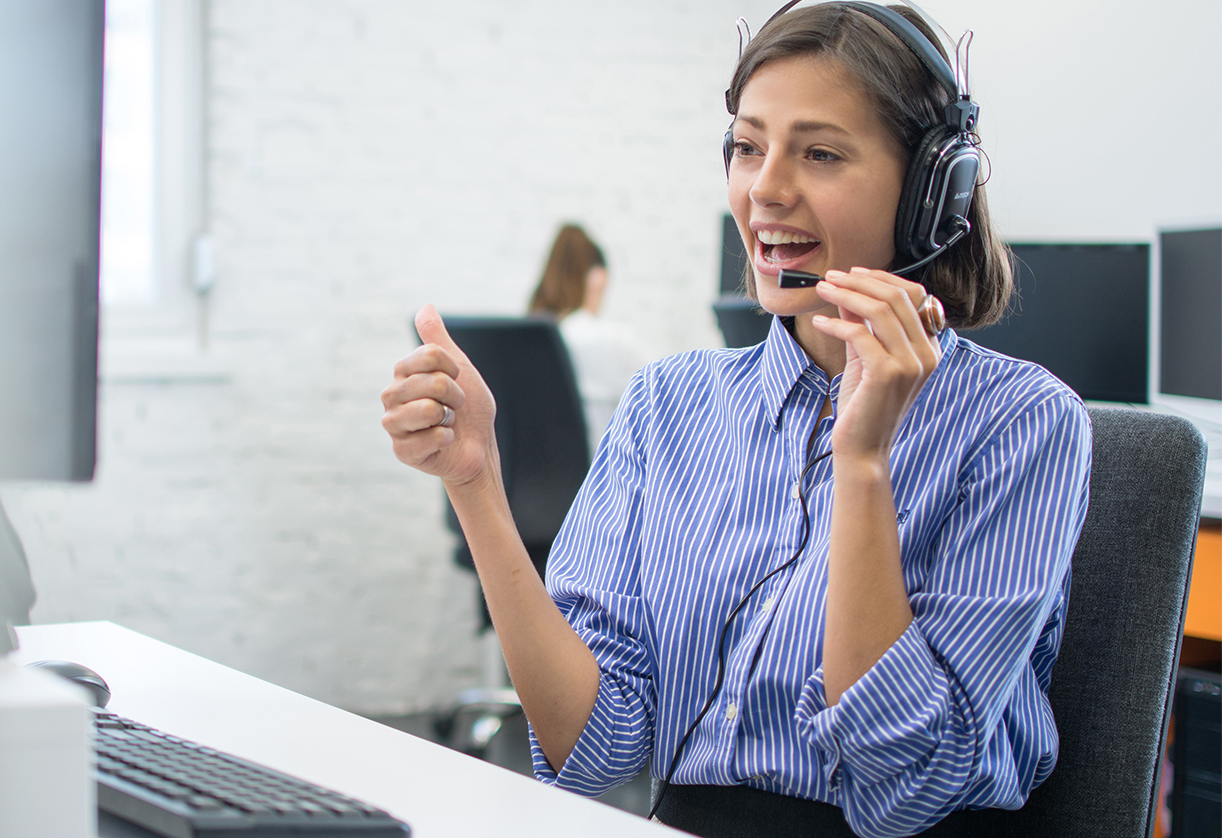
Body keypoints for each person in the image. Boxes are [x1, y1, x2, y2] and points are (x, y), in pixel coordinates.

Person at [379, 4, 1090, 837]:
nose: (765, 190)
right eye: (747, 148)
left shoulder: (1023, 425)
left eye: (820, 153)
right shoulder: (669, 404)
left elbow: (903, 787)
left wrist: (862, 462)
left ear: (933, 193)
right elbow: (595, 749)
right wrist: (477, 487)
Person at [526, 223, 657, 457]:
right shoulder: (612, 340)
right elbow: (667, 401)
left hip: (525, 488)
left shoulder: (524, 341)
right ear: (598, 279)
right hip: (596, 486)